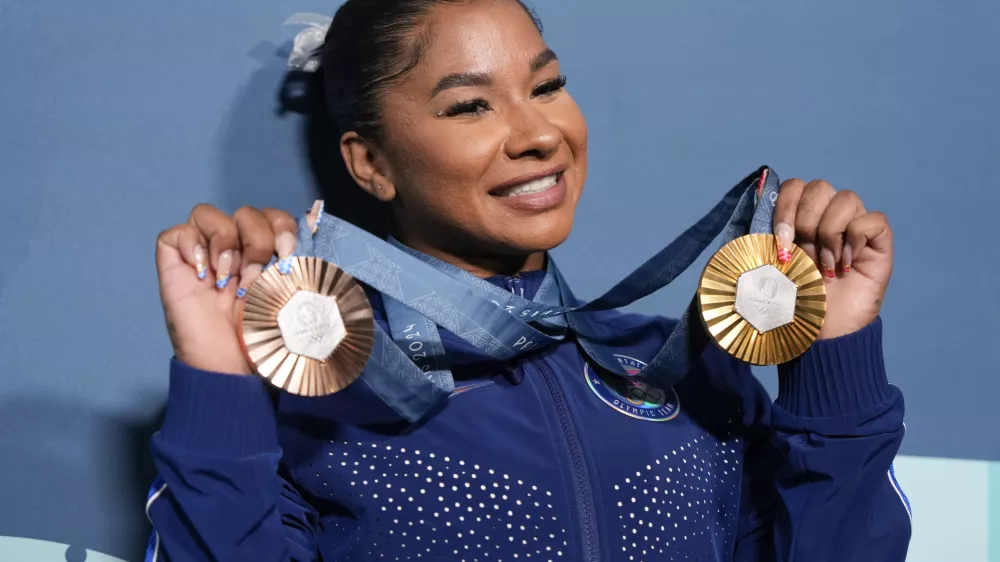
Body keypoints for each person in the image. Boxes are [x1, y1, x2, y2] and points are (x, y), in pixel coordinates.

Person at [147, 0, 911, 560]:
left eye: (546, 87)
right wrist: (221, 385)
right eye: (471, 105)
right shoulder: (319, 396)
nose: (541, 134)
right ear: (371, 164)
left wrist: (832, 364)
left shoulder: (691, 374)